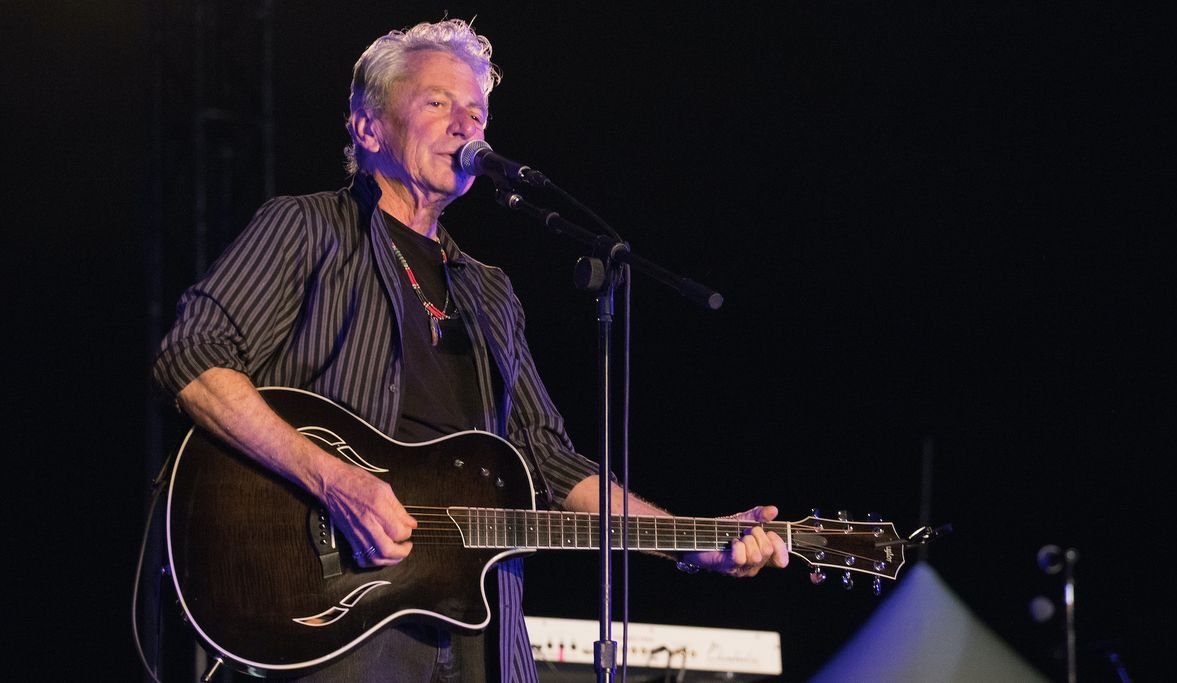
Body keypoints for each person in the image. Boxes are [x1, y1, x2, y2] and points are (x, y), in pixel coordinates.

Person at [153, 18, 787, 683]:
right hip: (333, 615)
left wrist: (689, 539)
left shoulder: (489, 291)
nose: (466, 125)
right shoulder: (308, 229)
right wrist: (335, 481)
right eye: (438, 103)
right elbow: (192, 358)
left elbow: (552, 463)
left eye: (476, 111)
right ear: (369, 128)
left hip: (480, 635)